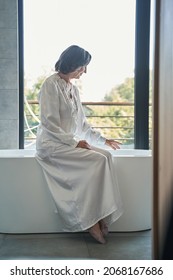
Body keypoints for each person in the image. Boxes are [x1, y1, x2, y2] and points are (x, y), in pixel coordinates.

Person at [36, 45, 123, 244]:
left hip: (67, 143)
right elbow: (49, 123)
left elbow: (82, 124)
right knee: (98, 161)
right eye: (82, 67)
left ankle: (99, 214)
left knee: (106, 156)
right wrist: (75, 143)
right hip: (51, 145)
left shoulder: (73, 89)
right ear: (73, 64)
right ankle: (92, 221)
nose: (84, 71)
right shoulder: (50, 85)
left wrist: (103, 140)